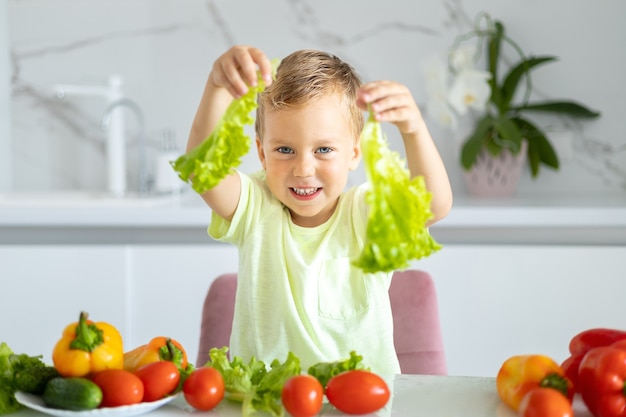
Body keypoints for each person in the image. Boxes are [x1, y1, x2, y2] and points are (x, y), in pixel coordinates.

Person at [186, 45, 452, 375]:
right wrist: (217, 87)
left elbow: (433, 205)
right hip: (269, 405)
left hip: (360, 405)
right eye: (285, 149)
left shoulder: (365, 212)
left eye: (324, 149)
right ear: (262, 153)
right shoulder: (256, 206)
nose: (304, 168)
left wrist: (413, 129)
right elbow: (203, 170)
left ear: (354, 153)